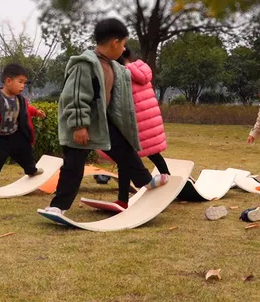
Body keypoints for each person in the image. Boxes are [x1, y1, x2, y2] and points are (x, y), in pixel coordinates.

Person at [43, 18, 169, 215]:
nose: (124, 48)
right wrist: (79, 126)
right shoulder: (85, 65)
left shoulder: (113, 66)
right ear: (115, 43)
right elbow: (75, 96)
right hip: (83, 125)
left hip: (102, 122)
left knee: (125, 150)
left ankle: (144, 180)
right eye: (124, 44)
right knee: (73, 167)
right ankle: (58, 206)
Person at [98, 46, 169, 207]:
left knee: (125, 159)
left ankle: (123, 199)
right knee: (153, 154)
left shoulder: (120, 74)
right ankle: (167, 178)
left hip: (134, 123)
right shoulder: (142, 70)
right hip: (150, 121)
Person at [0, 63, 47, 190]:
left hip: (15, 134)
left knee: (26, 152)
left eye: (24, 83)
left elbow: (26, 109)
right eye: (20, 82)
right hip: (0, 138)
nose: (23, 86)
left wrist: (36, 112)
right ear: (8, 81)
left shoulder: (19, 99)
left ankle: (31, 169)